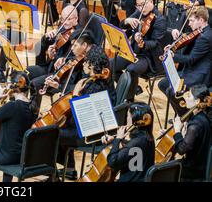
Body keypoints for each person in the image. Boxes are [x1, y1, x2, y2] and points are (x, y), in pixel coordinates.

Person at [57, 45, 116, 180]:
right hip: (91, 128)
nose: (83, 63)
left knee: (53, 133)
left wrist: (76, 96)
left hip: (91, 134)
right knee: (61, 126)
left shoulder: (96, 87)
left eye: (86, 62)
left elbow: (83, 117)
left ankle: (53, 173)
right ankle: (70, 169)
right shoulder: (101, 80)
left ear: (92, 66)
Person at [112, 0, 167, 101]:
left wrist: (142, 42)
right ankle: (131, 89)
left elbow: (155, 43)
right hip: (134, 52)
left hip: (148, 57)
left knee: (131, 70)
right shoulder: (139, 13)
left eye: (144, 4)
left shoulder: (160, 20)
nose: (141, 8)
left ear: (152, 2)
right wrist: (127, 20)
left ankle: (129, 99)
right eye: (138, 5)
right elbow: (121, 24)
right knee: (110, 65)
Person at [158, 6, 212, 116]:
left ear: (201, 20)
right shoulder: (200, 32)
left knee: (172, 92)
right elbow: (188, 49)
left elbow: (191, 59)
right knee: (163, 84)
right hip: (192, 69)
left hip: (199, 74)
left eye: (191, 20)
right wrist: (173, 47)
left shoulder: (205, 37)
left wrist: (172, 56)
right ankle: (182, 112)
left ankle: (185, 116)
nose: (189, 24)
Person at [30, 28, 95, 116]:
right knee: (32, 79)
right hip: (66, 81)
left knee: (36, 84)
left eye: (75, 45)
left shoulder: (92, 63)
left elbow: (83, 89)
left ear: (84, 45)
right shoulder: (82, 53)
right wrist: (63, 59)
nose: (72, 48)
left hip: (83, 102)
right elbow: (72, 58)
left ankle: (32, 116)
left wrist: (59, 86)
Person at [102, 102, 155, 182]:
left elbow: (113, 162)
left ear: (134, 120)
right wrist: (115, 140)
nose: (126, 119)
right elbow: (134, 151)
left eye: (128, 116)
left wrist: (117, 139)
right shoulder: (147, 137)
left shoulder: (135, 143)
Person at [172, 85, 212, 181]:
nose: (185, 97)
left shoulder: (195, 125)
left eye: (189, 96)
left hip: (194, 170)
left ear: (197, 101)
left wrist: (177, 131)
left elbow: (181, 150)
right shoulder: (206, 114)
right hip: (205, 163)